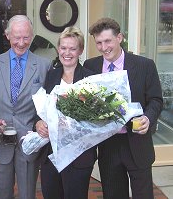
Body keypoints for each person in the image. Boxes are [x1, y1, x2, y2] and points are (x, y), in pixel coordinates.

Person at [83, 17, 163, 199]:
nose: (104, 48)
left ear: (119, 37)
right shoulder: (91, 66)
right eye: (99, 43)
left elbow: (156, 100)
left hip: (138, 143)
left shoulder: (145, 65)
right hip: (108, 145)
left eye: (108, 41)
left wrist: (148, 118)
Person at [0, 15, 51, 199]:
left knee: (28, 194)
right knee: (3, 194)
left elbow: (49, 105)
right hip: (0, 142)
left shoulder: (45, 66)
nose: (21, 43)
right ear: (7, 36)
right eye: (17, 37)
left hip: (28, 142)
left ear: (32, 36)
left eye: (26, 37)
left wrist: (40, 123)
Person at [34, 26, 97, 199]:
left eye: (72, 48)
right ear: (58, 49)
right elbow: (40, 111)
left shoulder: (90, 79)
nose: (67, 53)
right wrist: (38, 123)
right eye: (63, 48)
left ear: (80, 51)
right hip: (51, 155)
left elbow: (96, 119)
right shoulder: (51, 76)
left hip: (78, 156)